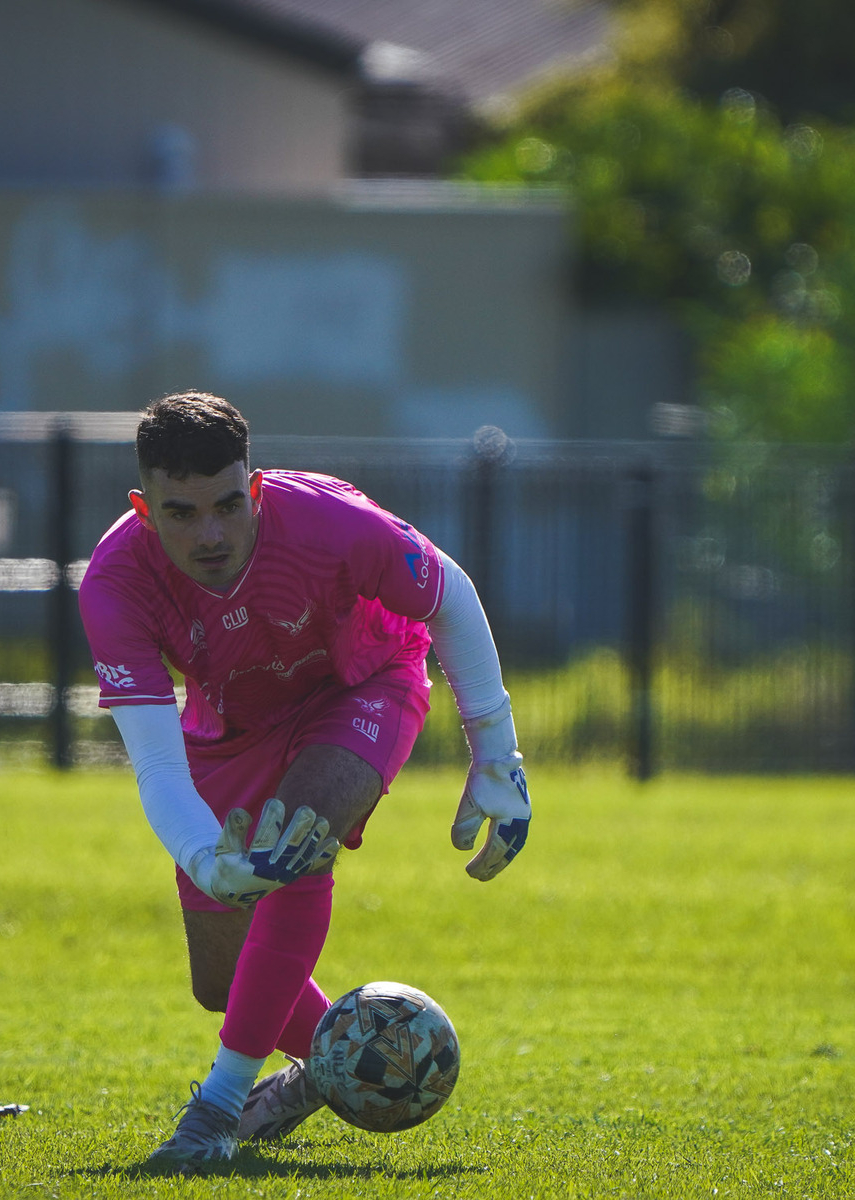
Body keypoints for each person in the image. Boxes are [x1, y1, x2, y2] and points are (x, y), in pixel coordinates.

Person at [78, 393, 532, 1170]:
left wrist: (496, 755)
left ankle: (216, 1110)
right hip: (233, 730)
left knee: (296, 838)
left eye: (228, 505)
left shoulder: (327, 522)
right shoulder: (113, 582)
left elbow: (446, 589)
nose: (211, 533)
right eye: (182, 514)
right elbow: (155, 761)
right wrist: (201, 857)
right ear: (143, 508)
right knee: (225, 985)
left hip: (362, 685)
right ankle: (329, 1067)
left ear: (254, 489)